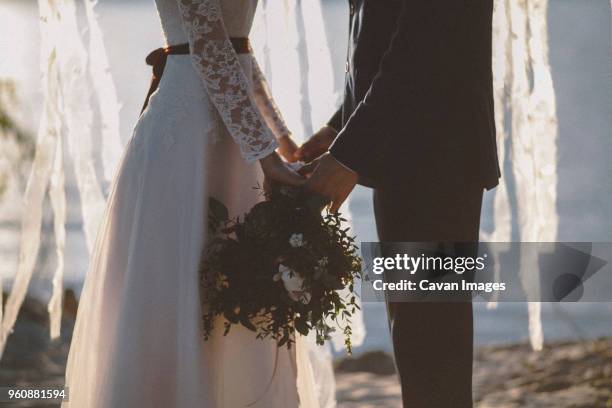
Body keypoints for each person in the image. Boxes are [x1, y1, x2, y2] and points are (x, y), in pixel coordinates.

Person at [62, 1, 322, 407]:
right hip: (187, 140)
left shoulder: (257, 134)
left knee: (244, 283)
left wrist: (282, 144)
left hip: (238, 142)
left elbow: (239, 50)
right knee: (179, 277)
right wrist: (266, 154)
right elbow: (210, 46)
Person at [298, 1, 501, 406]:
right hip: (410, 155)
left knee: (432, 339)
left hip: (439, 156)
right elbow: (389, 37)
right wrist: (340, 127)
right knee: (417, 335)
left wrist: (349, 153)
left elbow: (425, 46)